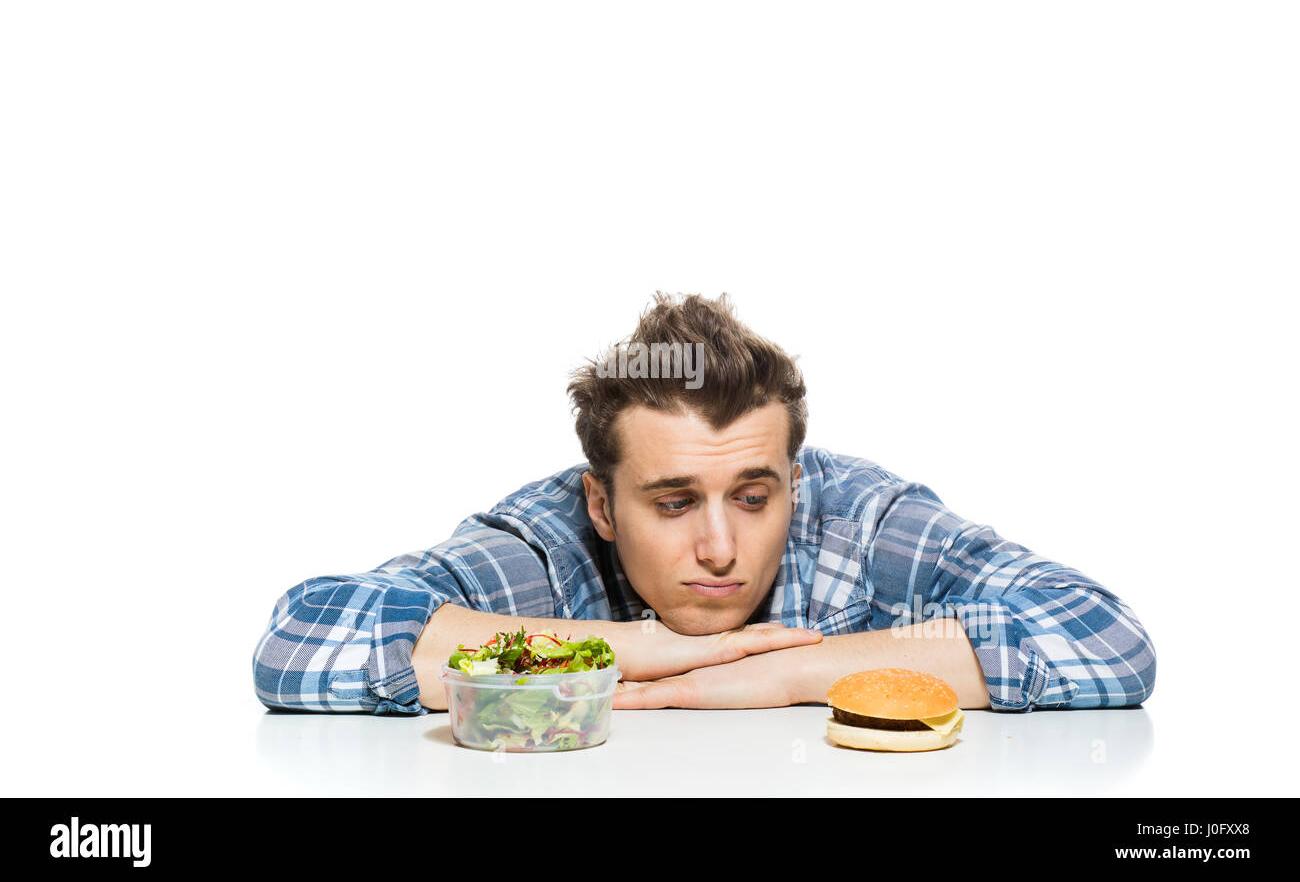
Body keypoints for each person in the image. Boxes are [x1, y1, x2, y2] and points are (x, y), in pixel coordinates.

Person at [252, 292, 1156, 715]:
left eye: (754, 497)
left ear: (794, 486)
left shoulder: (855, 517)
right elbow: (308, 637)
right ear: (601, 507)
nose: (721, 547)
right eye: (674, 503)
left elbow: (1103, 637)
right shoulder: (548, 543)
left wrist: (795, 670)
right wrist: (637, 649)